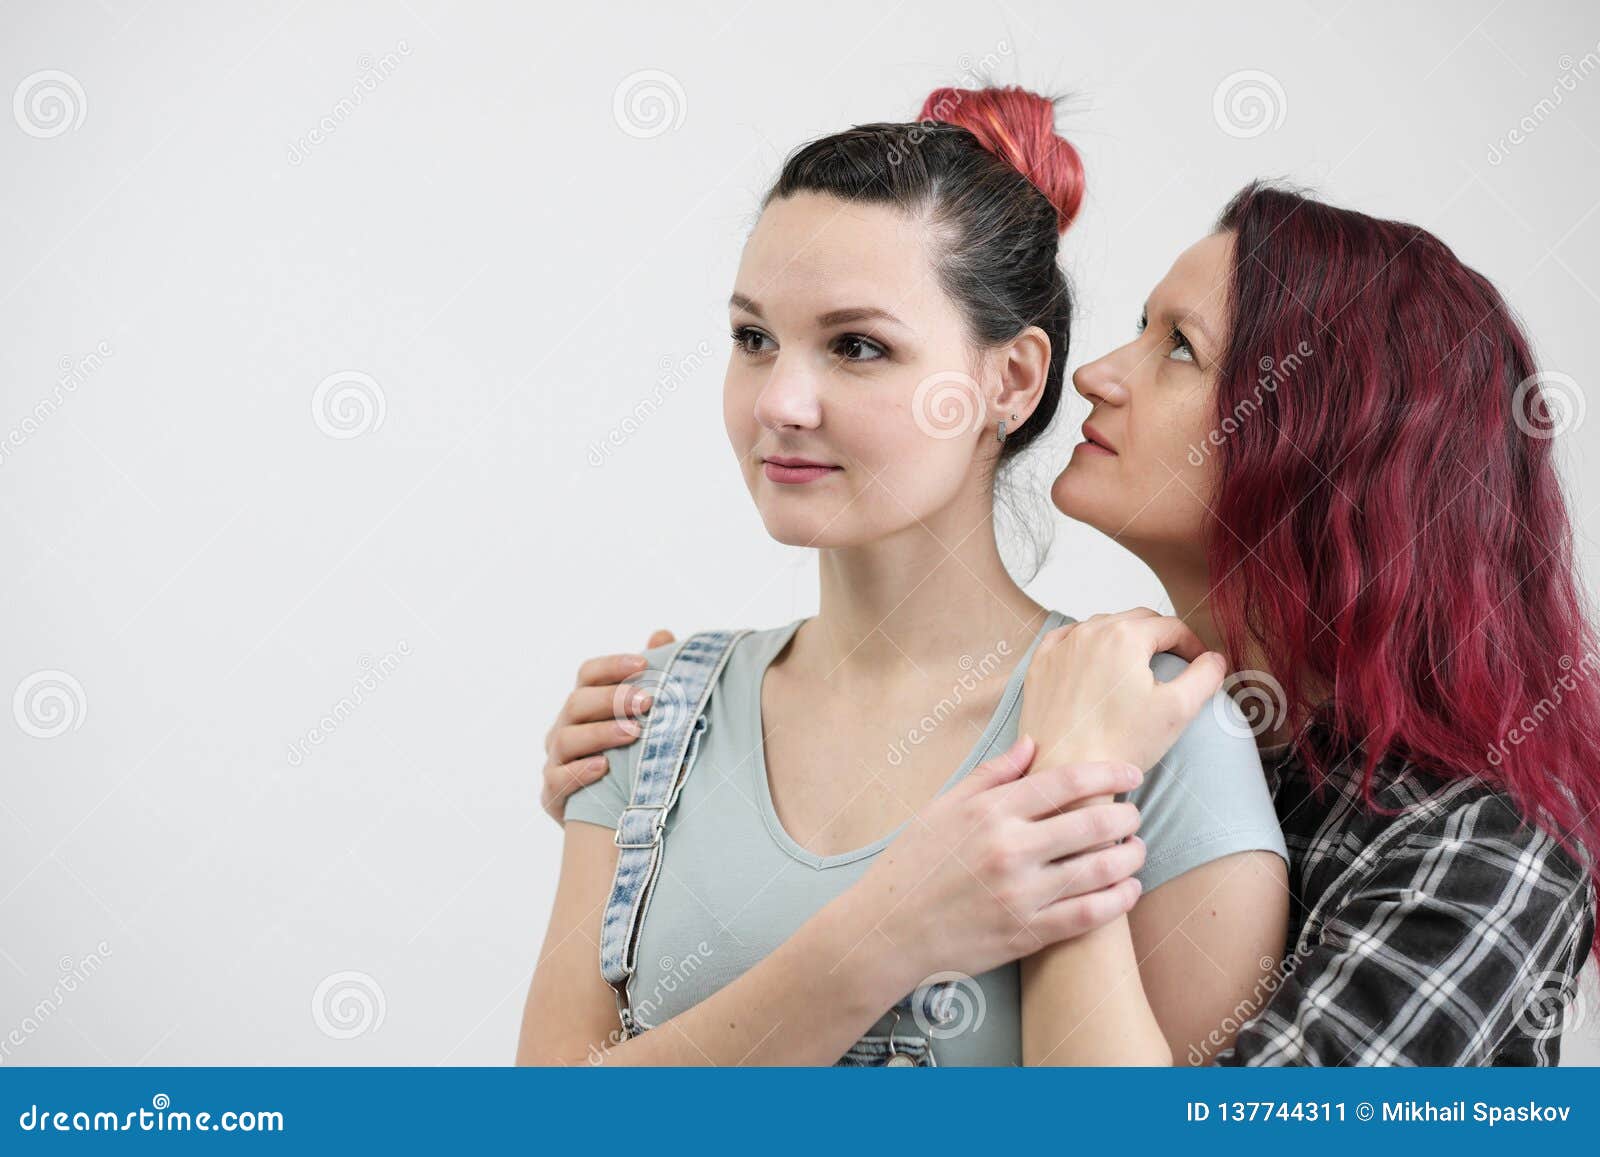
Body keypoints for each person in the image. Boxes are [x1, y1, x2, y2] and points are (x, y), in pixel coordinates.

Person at [542, 178, 1600, 1065]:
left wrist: (1067, 797)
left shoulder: (1482, 845)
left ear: (1325, 430)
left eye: (1175, 346)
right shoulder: (1160, 701)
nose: (1098, 373)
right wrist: (661, 780)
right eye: (751, 338)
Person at [516, 86, 1290, 1067]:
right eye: (754, 338)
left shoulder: (1158, 730)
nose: (782, 401)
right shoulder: (648, 720)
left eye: (857, 346)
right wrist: (885, 933)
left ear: (1007, 381)